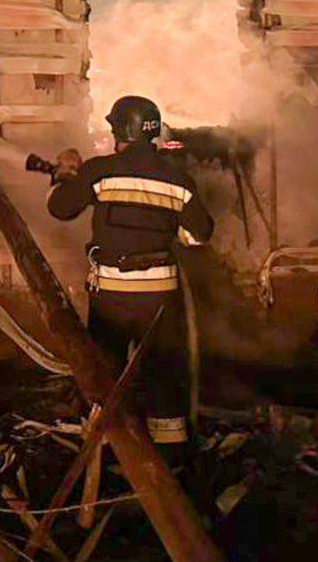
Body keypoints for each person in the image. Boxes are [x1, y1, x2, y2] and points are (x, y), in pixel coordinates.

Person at [45, 95, 213, 455]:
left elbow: (60, 209)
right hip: (161, 298)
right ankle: (171, 460)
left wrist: (66, 175)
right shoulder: (177, 179)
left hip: (111, 294)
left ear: (120, 132)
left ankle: (111, 452)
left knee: (106, 374)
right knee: (165, 373)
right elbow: (199, 235)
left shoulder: (99, 171)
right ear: (153, 133)